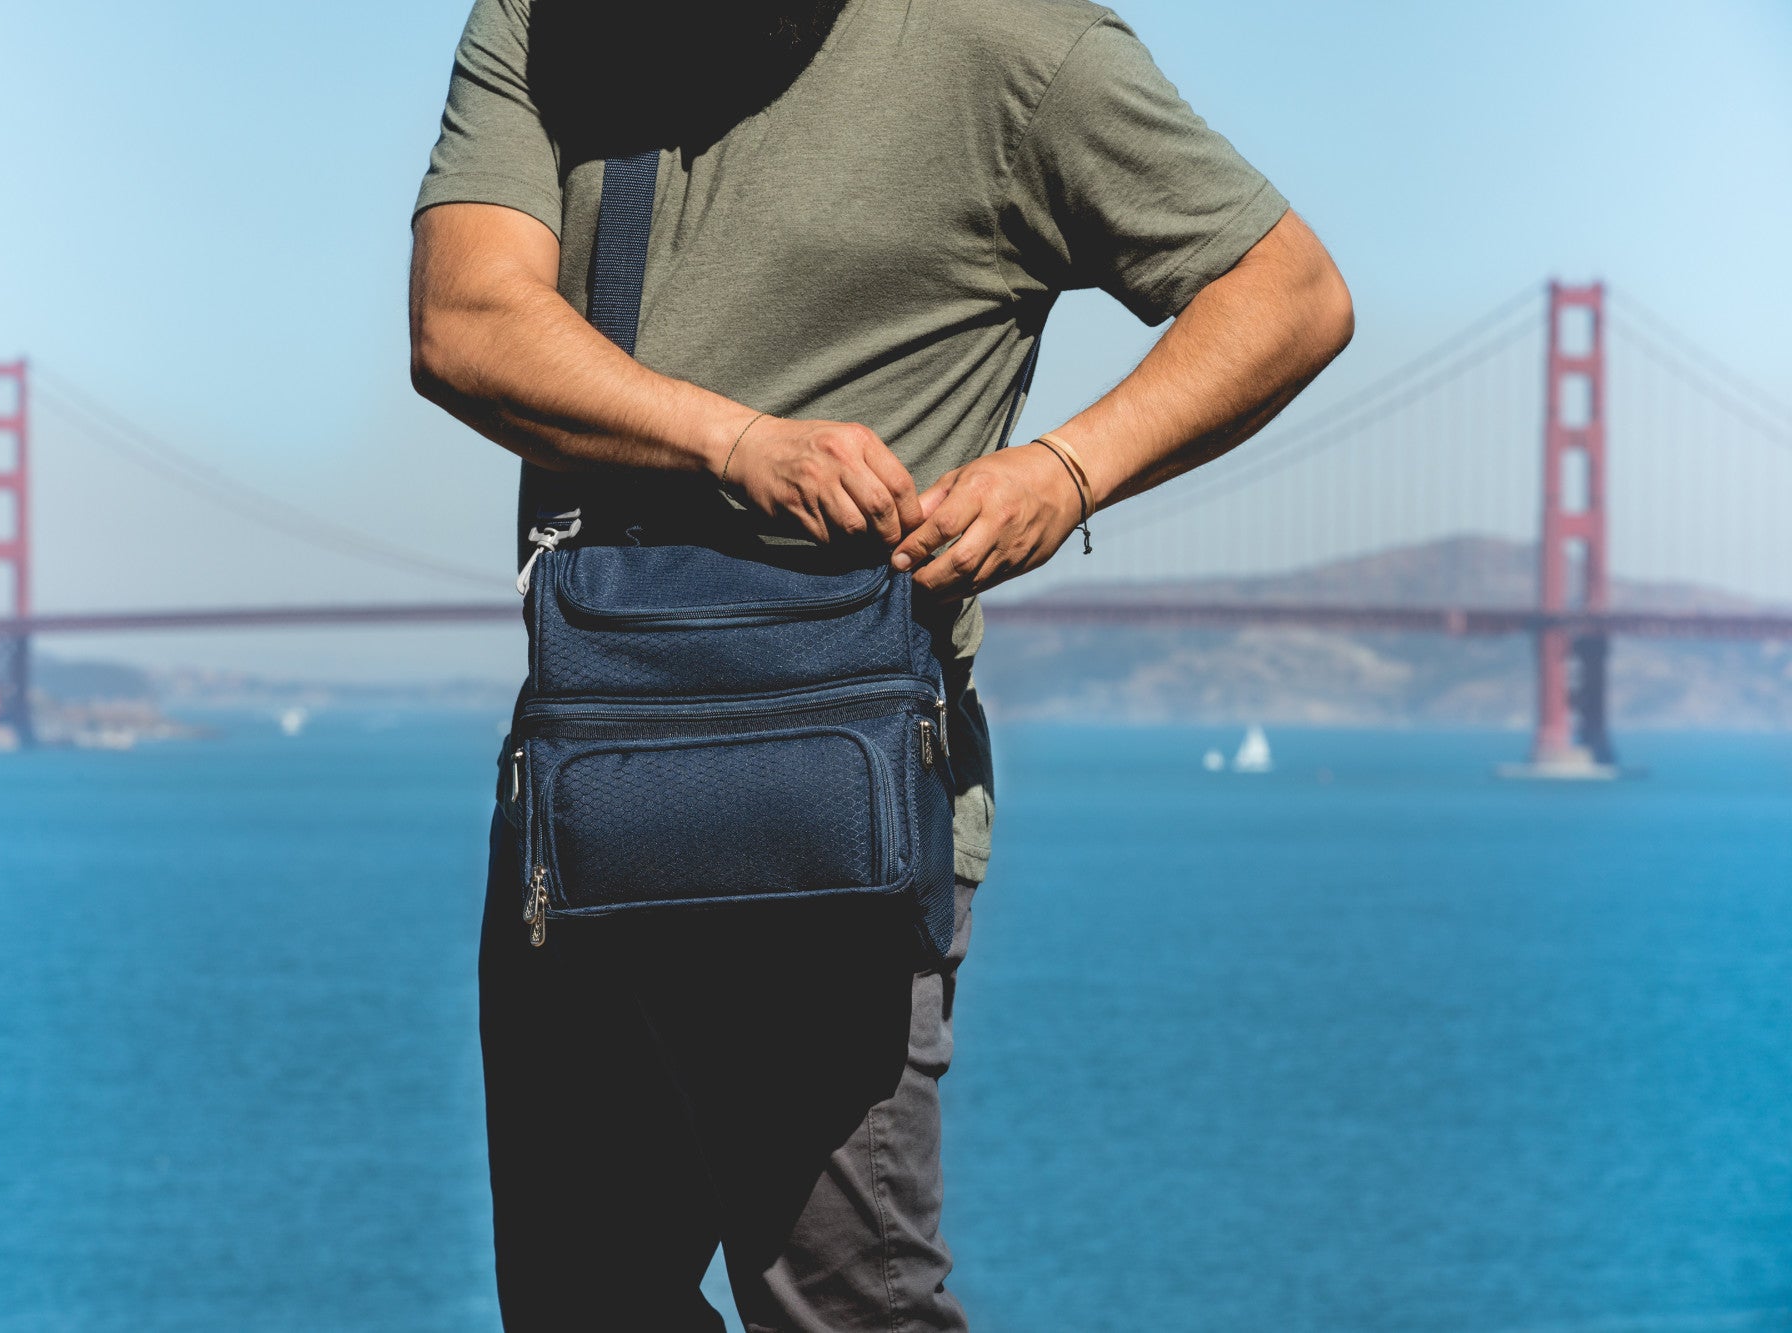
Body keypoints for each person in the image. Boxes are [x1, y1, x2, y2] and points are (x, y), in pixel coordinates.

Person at [407, 1, 1352, 1327]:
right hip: (586, 782)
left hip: (832, 805)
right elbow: (465, 320)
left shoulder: (1013, 44)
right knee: (582, 1301)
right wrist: (735, 442)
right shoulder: (550, 12)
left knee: (845, 1310)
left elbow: (1290, 292)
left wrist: (1068, 471)